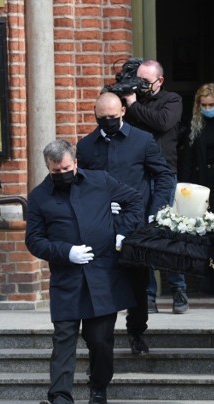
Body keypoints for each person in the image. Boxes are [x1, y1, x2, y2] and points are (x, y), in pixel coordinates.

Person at [25, 140, 144, 404]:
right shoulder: (40, 196)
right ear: (49, 169)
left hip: (103, 275)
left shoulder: (100, 181)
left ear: (75, 163)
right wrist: (66, 252)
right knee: (64, 340)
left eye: (66, 168)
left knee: (100, 340)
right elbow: (34, 240)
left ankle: (99, 386)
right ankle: (60, 401)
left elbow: (135, 200)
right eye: (56, 170)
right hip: (67, 278)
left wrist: (121, 232)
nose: (62, 173)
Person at [76, 92, 174, 355]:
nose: (108, 121)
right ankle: (101, 340)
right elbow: (78, 185)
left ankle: (136, 332)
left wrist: (156, 211)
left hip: (136, 224)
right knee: (100, 280)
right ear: (95, 115)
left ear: (122, 112)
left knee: (138, 283)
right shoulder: (85, 147)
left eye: (112, 116)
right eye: (102, 117)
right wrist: (94, 205)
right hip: (100, 225)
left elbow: (163, 175)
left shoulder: (142, 141)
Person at [121, 59, 189, 314]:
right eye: (138, 81)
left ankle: (178, 289)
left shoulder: (172, 100)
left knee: (168, 233)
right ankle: (147, 293)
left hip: (164, 175)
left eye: (146, 82)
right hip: (138, 175)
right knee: (142, 232)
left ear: (159, 81)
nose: (141, 87)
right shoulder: (130, 100)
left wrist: (132, 104)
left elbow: (161, 123)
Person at [179, 83, 214, 295]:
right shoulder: (194, 126)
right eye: (204, 104)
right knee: (203, 231)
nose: (208, 108)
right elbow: (187, 159)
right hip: (201, 183)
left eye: (212, 104)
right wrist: (183, 188)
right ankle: (208, 279)